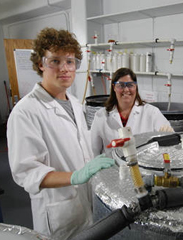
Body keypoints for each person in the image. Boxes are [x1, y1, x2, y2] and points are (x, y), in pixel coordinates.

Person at [7, 28, 115, 240]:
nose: (64, 68)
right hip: (59, 212)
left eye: (70, 61)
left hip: (86, 202)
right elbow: (26, 172)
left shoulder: (74, 103)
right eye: (55, 61)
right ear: (41, 64)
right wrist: (75, 176)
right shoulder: (25, 112)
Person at [91, 67, 173, 155]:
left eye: (130, 85)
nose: (126, 89)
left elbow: (169, 143)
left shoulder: (151, 113)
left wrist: (170, 135)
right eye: (121, 85)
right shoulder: (101, 116)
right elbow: (94, 151)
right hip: (112, 167)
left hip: (141, 166)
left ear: (136, 87)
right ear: (114, 87)